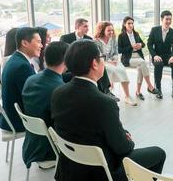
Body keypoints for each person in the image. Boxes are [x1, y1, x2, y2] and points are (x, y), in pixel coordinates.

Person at [51, 40, 166, 181]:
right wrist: (126, 138)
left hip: (69, 166)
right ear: (94, 63)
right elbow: (122, 148)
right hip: (101, 172)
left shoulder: (58, 92)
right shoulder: (105, 103)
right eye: (101, 58)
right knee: (159, 153)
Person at [21, 41, 68, 169]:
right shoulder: (60, 90)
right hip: (49, 149)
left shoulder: (31, 79)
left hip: (32, 143)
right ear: (67, 60)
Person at [60, 18, 119, 102]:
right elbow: (64, 56)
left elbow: (93, 55)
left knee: (100, 67)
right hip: (72, 66)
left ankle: (106, 91)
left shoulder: (89, 39)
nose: (88, 28)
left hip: (85, 64)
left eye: (88, 26)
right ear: (77, 27)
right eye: (85, 26)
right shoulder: (66, 38)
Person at [0, 27, 42, 132]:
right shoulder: (22, 66)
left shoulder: (15, 59)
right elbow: (33, 99)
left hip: (11, 115)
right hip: (18, 120)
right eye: (39, 42)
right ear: (25, 43)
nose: (41, 46)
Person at [117, 16, 159, 100]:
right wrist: (131, 47)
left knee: (141, 68)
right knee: (143, 63)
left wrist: (140, 45)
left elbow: (143, 44)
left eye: (132, 23)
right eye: (129, 23)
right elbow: (119, 50)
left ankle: (138, 92)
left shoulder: (136, 34)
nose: (131, 25)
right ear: (124, 24)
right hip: (128, 58)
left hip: (138, 56)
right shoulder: (121, 36)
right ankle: (150, 86)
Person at [147, 10, 173, 99]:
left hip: (169, 56)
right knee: (158, 65)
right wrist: (154, 55)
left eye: (170, 19)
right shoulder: (154, 30)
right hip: (157, 55)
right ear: (162, 19)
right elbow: (149, 44)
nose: (169, 21)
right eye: (167, 19)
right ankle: (158, 89)